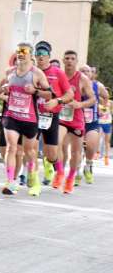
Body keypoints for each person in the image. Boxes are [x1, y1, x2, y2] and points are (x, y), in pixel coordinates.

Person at [0, 44, 49, 197]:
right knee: (12, 148)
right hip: (12, 116)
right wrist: (5, 91)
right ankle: (11, 181)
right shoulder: (9, 72)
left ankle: (34, 180)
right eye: (18, 51)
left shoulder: (37, 74)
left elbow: (50, 94)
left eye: (24, 51)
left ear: (31, 55)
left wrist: (35, 91)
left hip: (30, 118)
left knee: (29, 151)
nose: (20, 54)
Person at [33, 41, 70, 188]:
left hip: (51, 116)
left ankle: (58, 170)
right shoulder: (31, 72)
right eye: (38, 54)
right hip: (32, 115)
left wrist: (57, 101)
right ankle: (33, 180)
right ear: (35, 56)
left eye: (44, 54)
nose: (41, 57)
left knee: (51, 155)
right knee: (31, 149)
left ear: (49, 56)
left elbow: (70, 94)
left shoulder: (58, 73)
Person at [57, 50, 94, 193]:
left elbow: (92, 99)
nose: (70, 61)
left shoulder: (82, 78)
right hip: (61, 117)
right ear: (63, 60)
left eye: (72, 58)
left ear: (76, 61)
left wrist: (80, 105)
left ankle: (71, 178)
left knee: (76, 152)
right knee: (58, 144)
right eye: (67, 58)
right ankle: (60, 172)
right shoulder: (59, 75)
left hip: (76, 119)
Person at [80, 65, 104, 183]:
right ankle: (76, 173)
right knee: (77, 150)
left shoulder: (97, 86)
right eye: (82, 71)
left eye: (87, 71)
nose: (84, 73)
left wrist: (102, 109)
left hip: (92, 122)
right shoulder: (75, 85)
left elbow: (105, 96)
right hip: (77, 122)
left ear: (91, 74)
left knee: (90, 146)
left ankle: (88, 164)